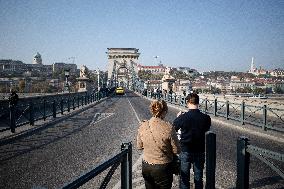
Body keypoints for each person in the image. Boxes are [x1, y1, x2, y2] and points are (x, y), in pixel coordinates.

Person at [137, 100, 181, 189]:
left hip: (146, 166)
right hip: (163, 168)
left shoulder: (143, 125)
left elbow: (139, 146)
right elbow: (177, 150)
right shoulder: (168, 127)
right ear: (164, 112)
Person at [173, 93, 211, 189]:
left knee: (184, 179)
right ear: (198, 103)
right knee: (198, 178)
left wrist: (178, 117)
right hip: (200, 150)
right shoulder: (206, 118)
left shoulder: (183, 117)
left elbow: (173, 129)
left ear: (188, 102)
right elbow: (206, 129)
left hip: (186, 150)